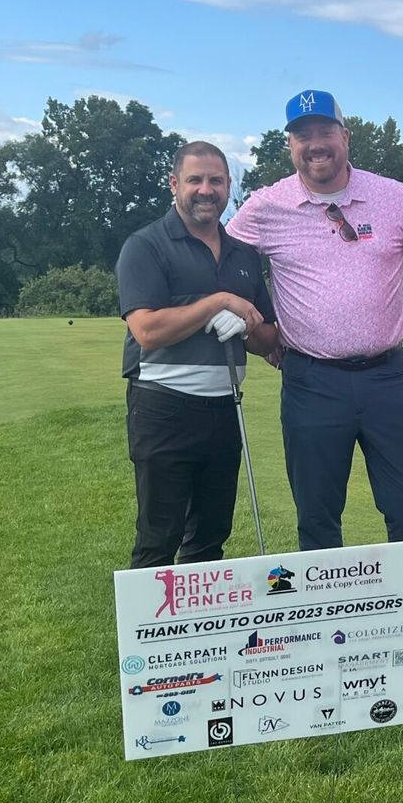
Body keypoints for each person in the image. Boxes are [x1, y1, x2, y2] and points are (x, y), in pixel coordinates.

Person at [227, 89, 403, 652]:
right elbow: (221, 263)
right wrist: (262, 328)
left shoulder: (391, 195)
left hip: (387, 376)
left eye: (325, 132)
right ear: (290, 145)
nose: (315, 144)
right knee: (318, 505)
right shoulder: (266, 206)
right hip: (311, 379)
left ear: (345, 137)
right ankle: (325, 615)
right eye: (303, 135)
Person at [116, 141, 278, 570]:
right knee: (159, 536)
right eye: (195, 180)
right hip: (163, 407)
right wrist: (218, 302)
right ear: (174, 184)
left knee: (210, 537)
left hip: (225, 408)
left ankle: (200, 618)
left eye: (216, 181)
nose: (206, 190)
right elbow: (147, 331)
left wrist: (247, 325)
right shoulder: (145, 245)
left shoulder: (243, 254)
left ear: (228, 186)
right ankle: (149, 617)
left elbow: (267, 340)